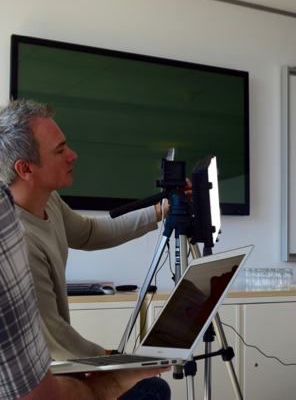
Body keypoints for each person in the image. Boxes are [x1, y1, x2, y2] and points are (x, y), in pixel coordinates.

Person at [0, 99, 173, 399]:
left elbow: (91, 232)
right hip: (35, 377)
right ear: (25, 168)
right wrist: (110, 358)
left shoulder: (48, 200)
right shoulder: (19, 242)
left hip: (56, 358)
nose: (72, 155)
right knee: (152, 391)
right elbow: (53, 335)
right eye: (59, 150)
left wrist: (160, 211)